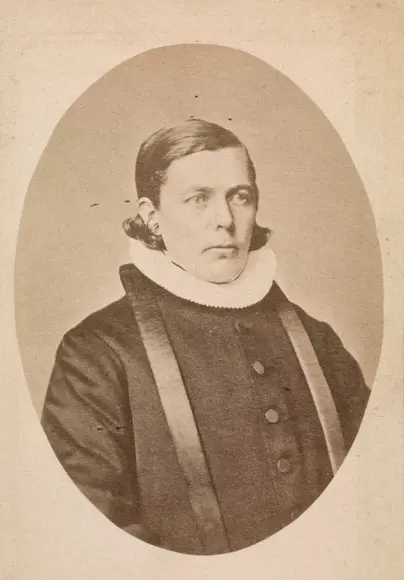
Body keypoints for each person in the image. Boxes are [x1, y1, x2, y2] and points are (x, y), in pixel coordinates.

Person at [41, 118, 370, 555]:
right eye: (199, 199)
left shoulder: (315, 338)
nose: (225, 220)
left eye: (240, 196)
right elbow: (91, 532)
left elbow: (378, 486)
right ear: (152, 217)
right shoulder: (95, 353)